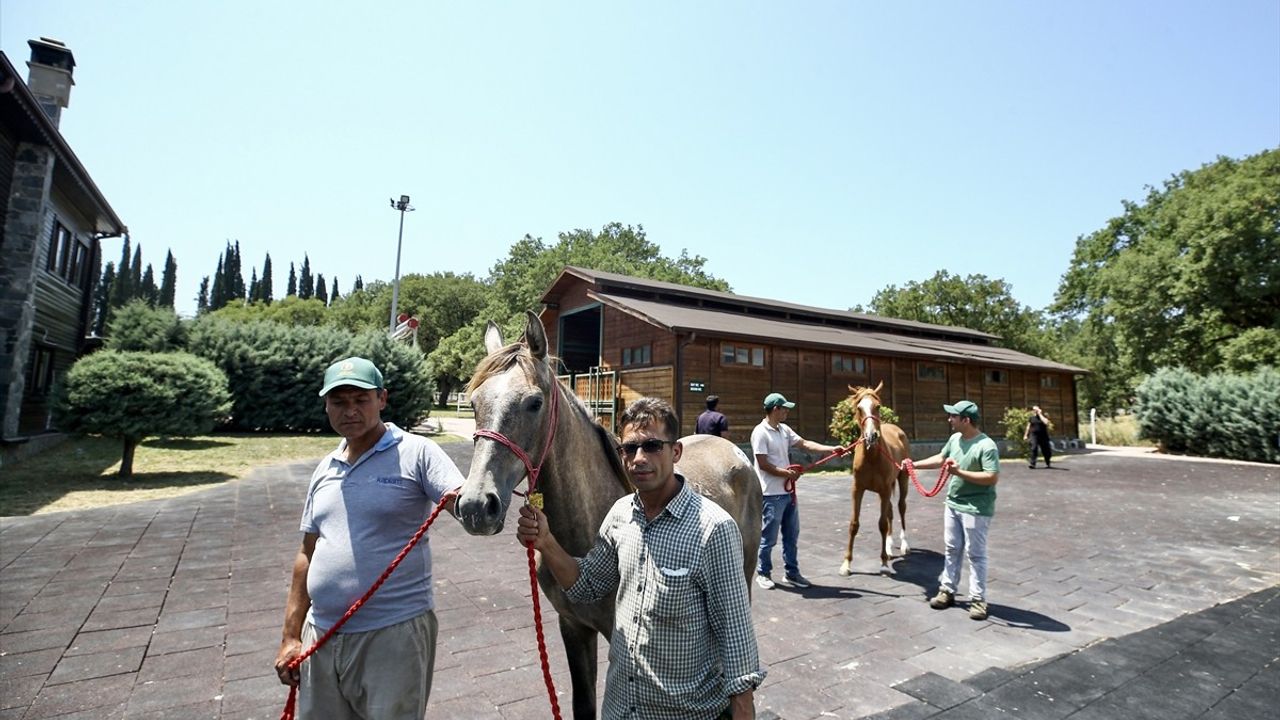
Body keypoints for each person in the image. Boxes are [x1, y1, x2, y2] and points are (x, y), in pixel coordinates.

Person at [517, 397, 765, 719]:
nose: (639, 458)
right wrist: (547, 542)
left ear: (675, 452)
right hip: (622, 709)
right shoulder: (620, 515)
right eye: (629, 449)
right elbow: (586, 584)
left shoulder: (713, 529)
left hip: (684, 712)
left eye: (651, 446)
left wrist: (743, 708)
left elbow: (736, 631)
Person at [274, 356, 465, 720]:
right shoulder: (325, 467)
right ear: (326, 405)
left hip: (392, 635)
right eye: (339, 402)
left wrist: (475, 502)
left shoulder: (417, 452)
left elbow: (468, 507)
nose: (349, 411)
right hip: (322, 634)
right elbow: (306, 554)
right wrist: (290, 636)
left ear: (382, 399)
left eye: (360, 400)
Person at [911, 400, 1000, 621]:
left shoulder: (986, 446)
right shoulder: (954, 439)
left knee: (975, 554)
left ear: (966, 420)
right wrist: (913, 465)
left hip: (976, 508)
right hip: (953, 504)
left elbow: (991, 477)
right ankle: (947, 591)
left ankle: (978, 600)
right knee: (952, 548)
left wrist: (959, 473)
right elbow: (940, 459)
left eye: (953, 416)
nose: (949, 419)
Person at [751, 392, 845, 590]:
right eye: (784, 408)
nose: (787, 411)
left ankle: (792, 573)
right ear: (775, 409)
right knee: (768, 537)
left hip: (787, 493)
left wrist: (830, 449)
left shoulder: (783, 430)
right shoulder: (760, 432)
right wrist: (787, 473)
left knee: (791, 535)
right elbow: (762, 464)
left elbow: (805, 444)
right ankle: (763, 573)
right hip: (770, 494)